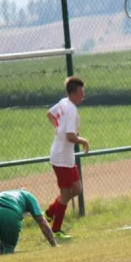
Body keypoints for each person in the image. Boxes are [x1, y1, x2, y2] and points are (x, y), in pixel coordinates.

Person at [45, 76, 89, 238]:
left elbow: (49, 114)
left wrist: (59, 129)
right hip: (61, 158)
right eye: (80, 93)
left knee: (77, 189)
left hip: (66, 157)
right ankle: (55, 230)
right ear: (73, 93)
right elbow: (71, 136)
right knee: (65, 195)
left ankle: (50, 212)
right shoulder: (70, 108)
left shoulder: (64, 102)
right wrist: (84, 141)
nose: (83, 96)